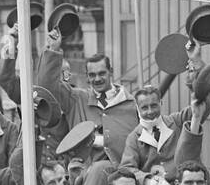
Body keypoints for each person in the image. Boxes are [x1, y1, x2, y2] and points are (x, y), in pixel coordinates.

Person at [38, 36, 139, 165]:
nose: (97, 79)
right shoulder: (75, 99)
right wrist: (53, 50)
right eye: (92, 75)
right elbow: (47, 87)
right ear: (86, 77)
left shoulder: (130, 104)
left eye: (102, 73)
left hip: (121, 177)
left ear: (111, 72)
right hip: (83, 176)